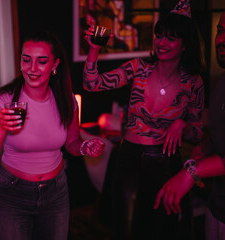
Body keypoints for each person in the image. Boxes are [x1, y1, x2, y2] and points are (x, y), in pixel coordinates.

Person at [82, 0, 204, 239]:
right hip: (129, 159)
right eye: (159, 36)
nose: (161, 42)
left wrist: (182, 124)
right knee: (126, 230)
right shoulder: (138, 68)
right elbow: (91, 84)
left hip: (167, 163)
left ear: (184, 46)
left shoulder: (194, 82)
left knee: (163, 231)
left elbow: (198, 133)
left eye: (170, 38)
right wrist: (94, 49)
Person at [0, 30, 105, 240]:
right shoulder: (4, 99)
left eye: (42, 61)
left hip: (56, 193)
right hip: (11, 194)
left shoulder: (66, 100)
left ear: (55, 64)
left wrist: (85, 147)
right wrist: (0, 126)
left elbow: (73, 141)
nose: (32, 68)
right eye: (26, 59)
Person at [154, 9, 225, 240]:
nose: (222, 40)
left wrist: (190, 173)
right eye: (220, 31)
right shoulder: (221, 81)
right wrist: (204, 148)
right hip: (217, 209)